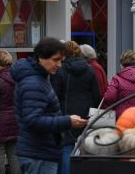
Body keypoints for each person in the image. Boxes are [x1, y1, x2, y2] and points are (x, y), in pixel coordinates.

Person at [11, 37, 88, 174]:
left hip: (40, 151)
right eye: (55, 60)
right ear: (41, 57)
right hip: (38, 154)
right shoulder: (34, 83)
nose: (59, 65)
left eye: (61, 60)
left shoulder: (39, 78)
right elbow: (33, 120)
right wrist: (68, 121)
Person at [52, 41, 100, 174]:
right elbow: (96, 93)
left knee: (67, 145)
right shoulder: (90, 69)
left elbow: (55, 92)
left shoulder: (60, 70)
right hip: (86, 110)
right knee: (84, 144)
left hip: (66, 110)